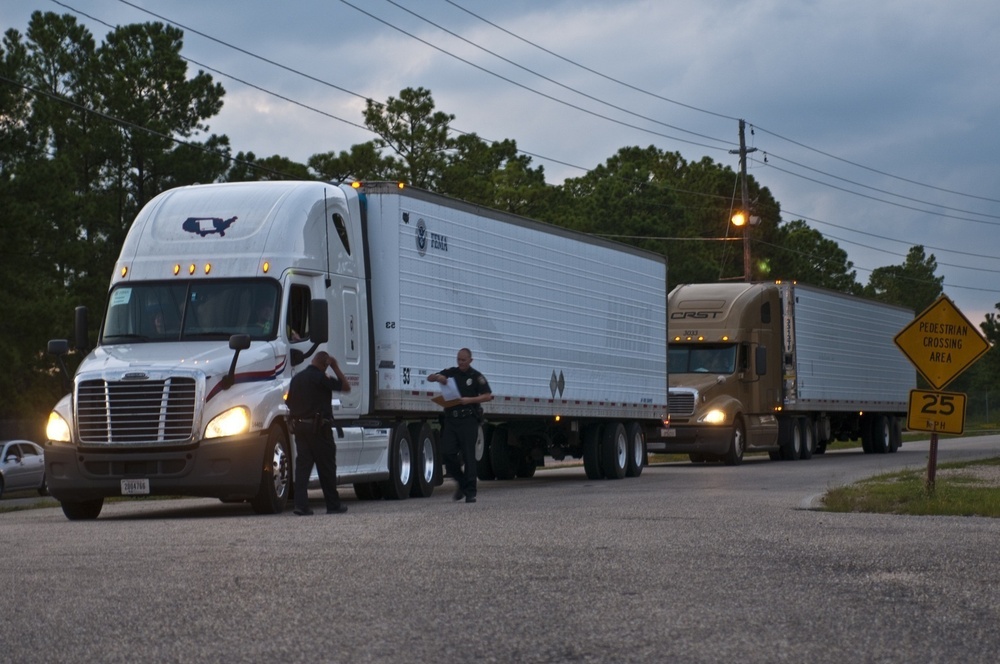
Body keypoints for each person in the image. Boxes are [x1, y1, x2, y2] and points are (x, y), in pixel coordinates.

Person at [286, 350, 351, 515]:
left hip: (300, 428)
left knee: (302, 468)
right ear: (325, 365)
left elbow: (288, 402)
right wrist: (335, 366)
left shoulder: (297, 379)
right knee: (327, 467)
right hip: (320, 429)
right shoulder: (321, 378)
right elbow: (346, 387)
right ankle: (333, 505)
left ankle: (301, 506)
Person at [427, 348, 493, 503]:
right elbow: (429, 377)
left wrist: (469, 400)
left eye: (464, 360)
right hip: (451, 420)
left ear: (470, 360)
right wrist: (439, 377)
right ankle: (462, 483)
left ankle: (470, 492)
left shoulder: (476, 376)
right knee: (447, 453)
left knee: (469, 456)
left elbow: (488, 395)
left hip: (468, 420)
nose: (461, 363)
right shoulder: (451, 373)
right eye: (458, 359)